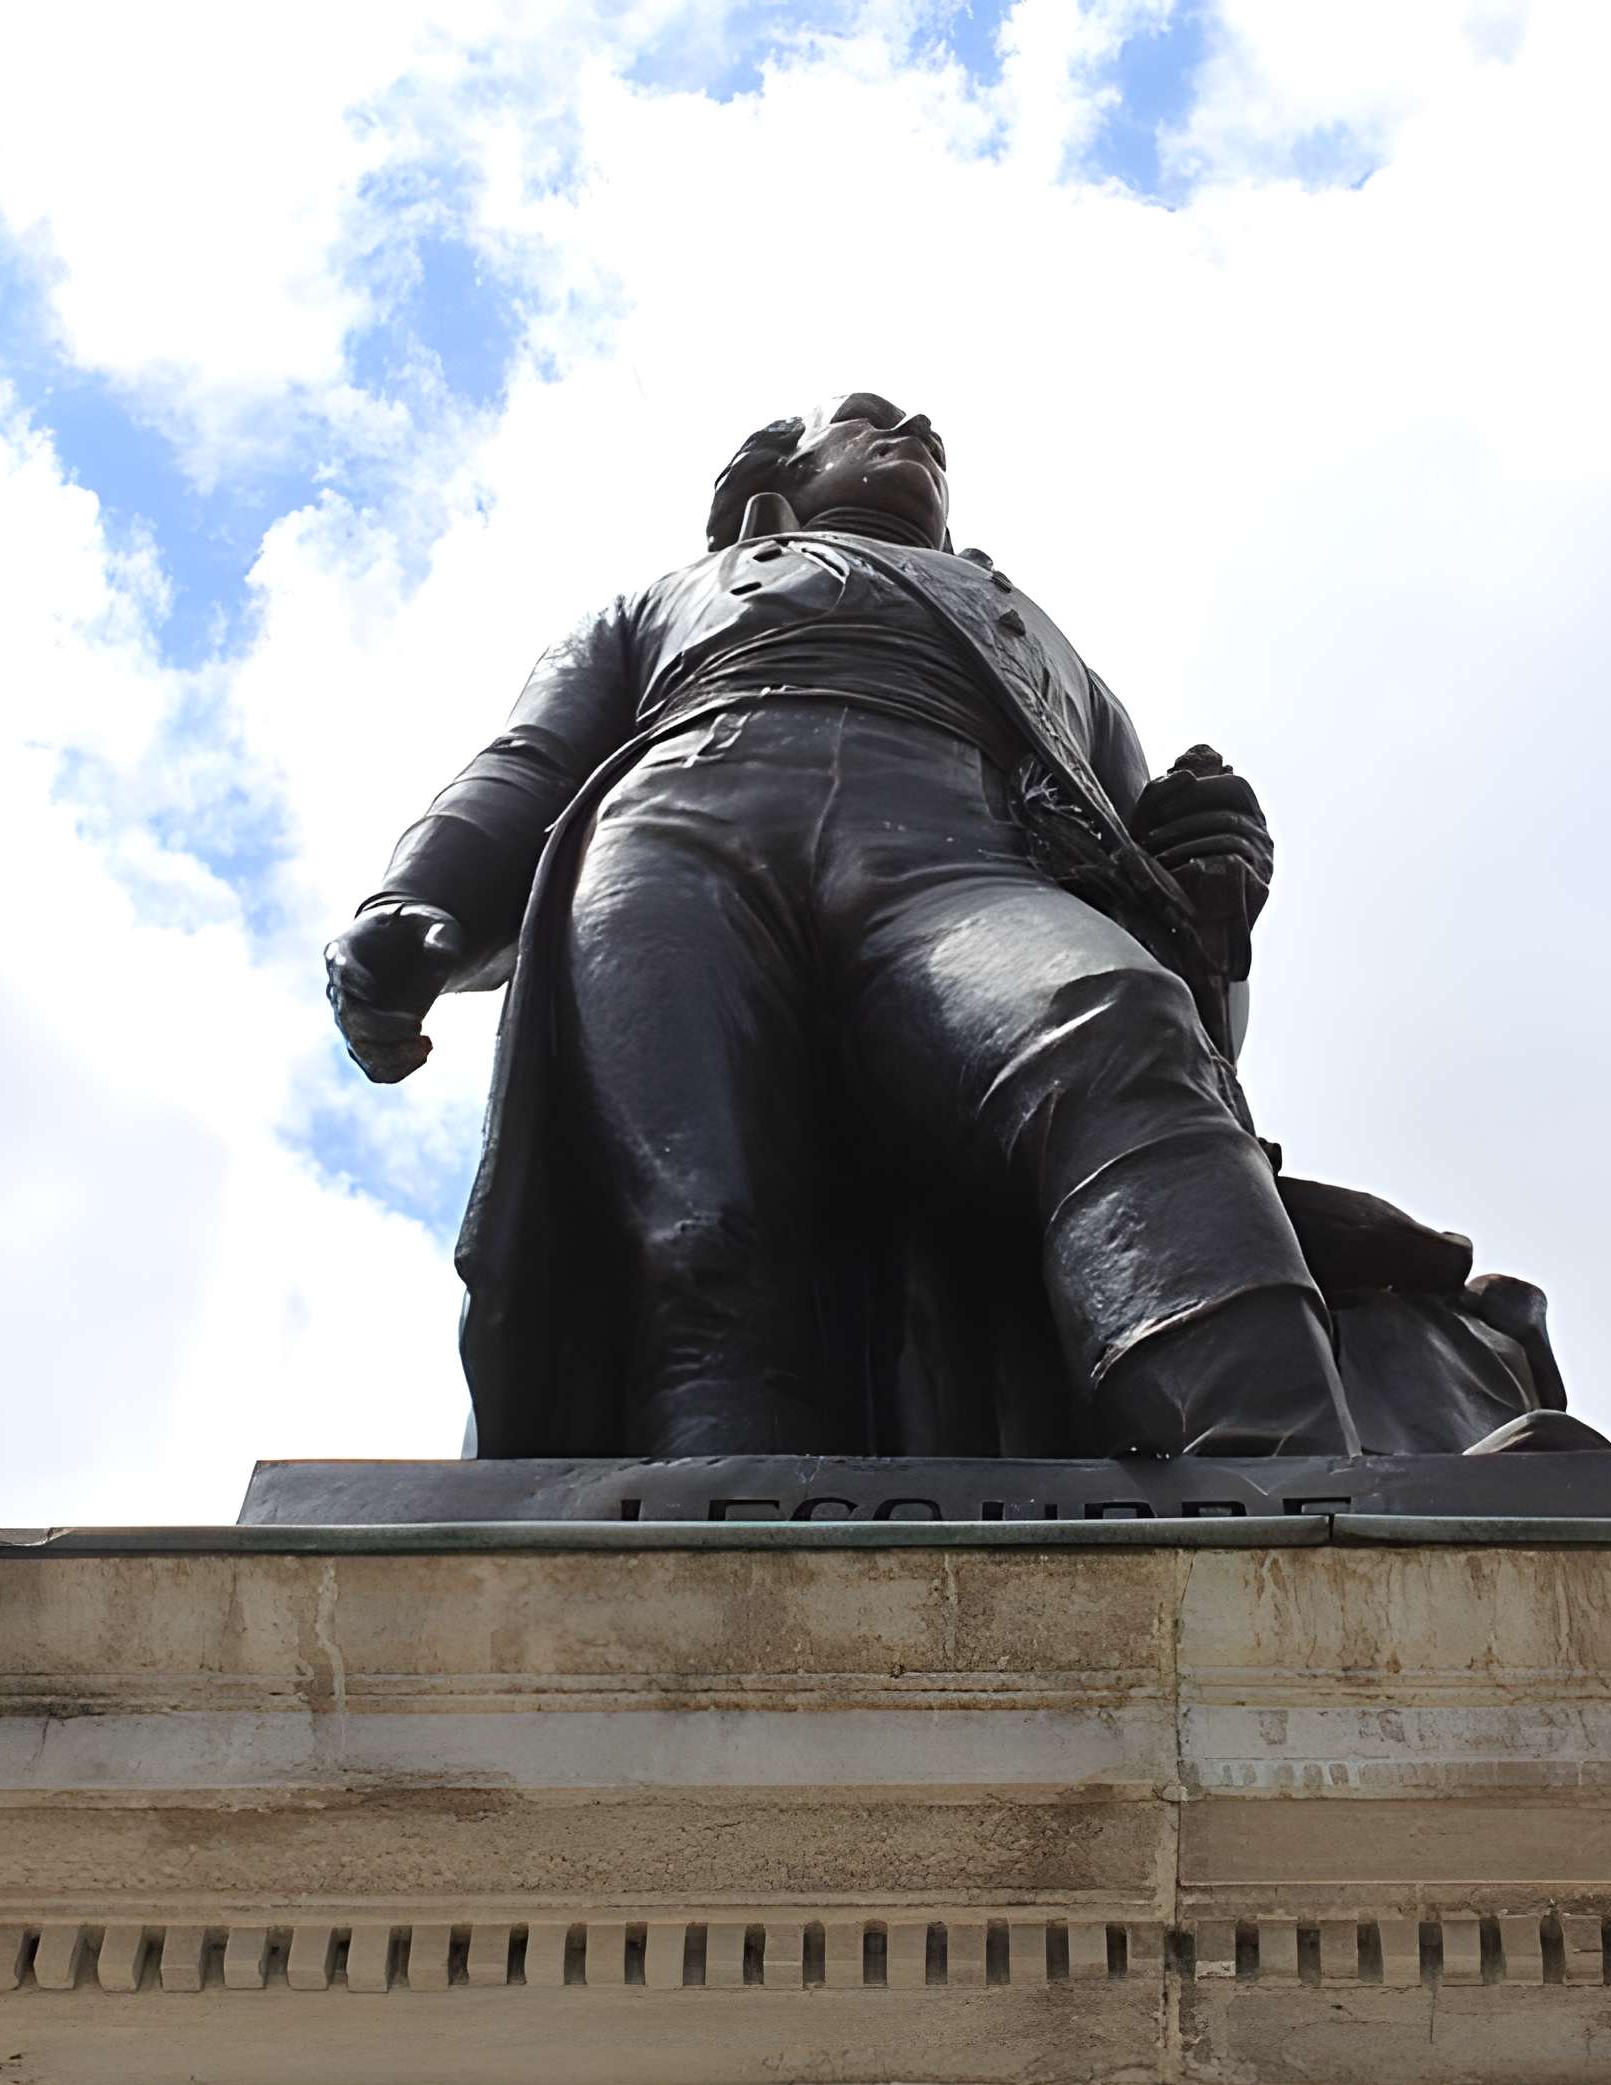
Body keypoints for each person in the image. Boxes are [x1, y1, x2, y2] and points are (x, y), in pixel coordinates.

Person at [325, 391, 1360, 1461]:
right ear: (770, 487)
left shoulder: (1046, 652)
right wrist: (418, 899)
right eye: (867, 419)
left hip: (958, 867)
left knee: (1117, 1020)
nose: (912, 427)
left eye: (926, 433)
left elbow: (1184, 994)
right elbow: (529, 764)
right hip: (676, 852)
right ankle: (713, 1529)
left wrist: (1209, 905)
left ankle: (1286, 1478)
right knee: (699, 1224)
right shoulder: (655, 605)